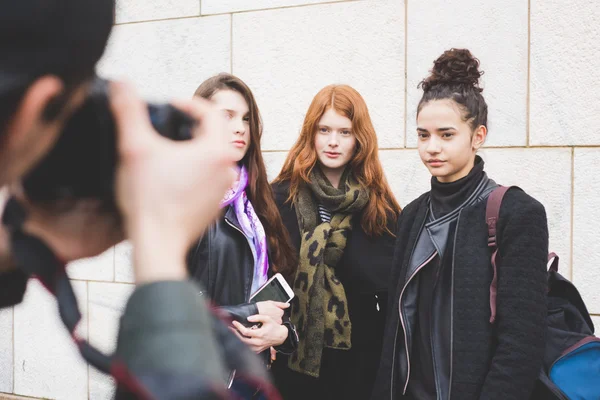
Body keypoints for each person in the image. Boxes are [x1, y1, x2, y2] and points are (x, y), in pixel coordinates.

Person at [0, 1, 267, 398]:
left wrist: (20, 242)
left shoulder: (259, 202)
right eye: (74, 105)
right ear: (36, 107)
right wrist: (159, 252)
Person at [371, 49, 548, 400]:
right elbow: (395, 330)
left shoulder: (517, 212)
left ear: (478, 136)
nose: (432, 147)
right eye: (423, 135)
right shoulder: (411, 215)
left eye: (446, 135)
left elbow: (521, 341)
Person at [270, 84, 401, 399]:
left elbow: (390, 296)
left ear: (359, 139)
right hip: (289, 362)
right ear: (310, 134)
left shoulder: (380, 210)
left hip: (358, 368)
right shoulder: (277, 200)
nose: (332, 142)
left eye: (344, 132)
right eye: (324, 129)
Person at [187, 73, 299, 392]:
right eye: (227, 116)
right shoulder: (184, 203)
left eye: (246, 118)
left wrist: (282, 334)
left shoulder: (253, 205)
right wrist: (252, 313)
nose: (240, 127)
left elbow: (270, 289)